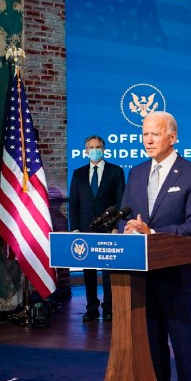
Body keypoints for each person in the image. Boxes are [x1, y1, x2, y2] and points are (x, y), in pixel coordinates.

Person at [119, 111, 191, 381]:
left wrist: (153, 233)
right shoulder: (137, 172)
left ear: (172, 137)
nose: (148, 139)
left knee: (184, 351)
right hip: (144, 279)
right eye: (144, 134)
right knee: (153, 352)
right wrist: (127, 228)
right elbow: (124, 215)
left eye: (155, 134)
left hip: (178, 279)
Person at [68, 135, 125, 321]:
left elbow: (120, 202)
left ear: (104, 149)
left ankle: (108, 308)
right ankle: (91, 308)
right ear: (85, 151)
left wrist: (116, 226)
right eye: (90, 147)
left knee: (109, 272)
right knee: (89, 271)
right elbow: (74, 204)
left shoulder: (116, 171)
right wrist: (75, 229)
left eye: (97, 147)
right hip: (85, 230)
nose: (94, 150)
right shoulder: (78, 174)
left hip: (108, 229)